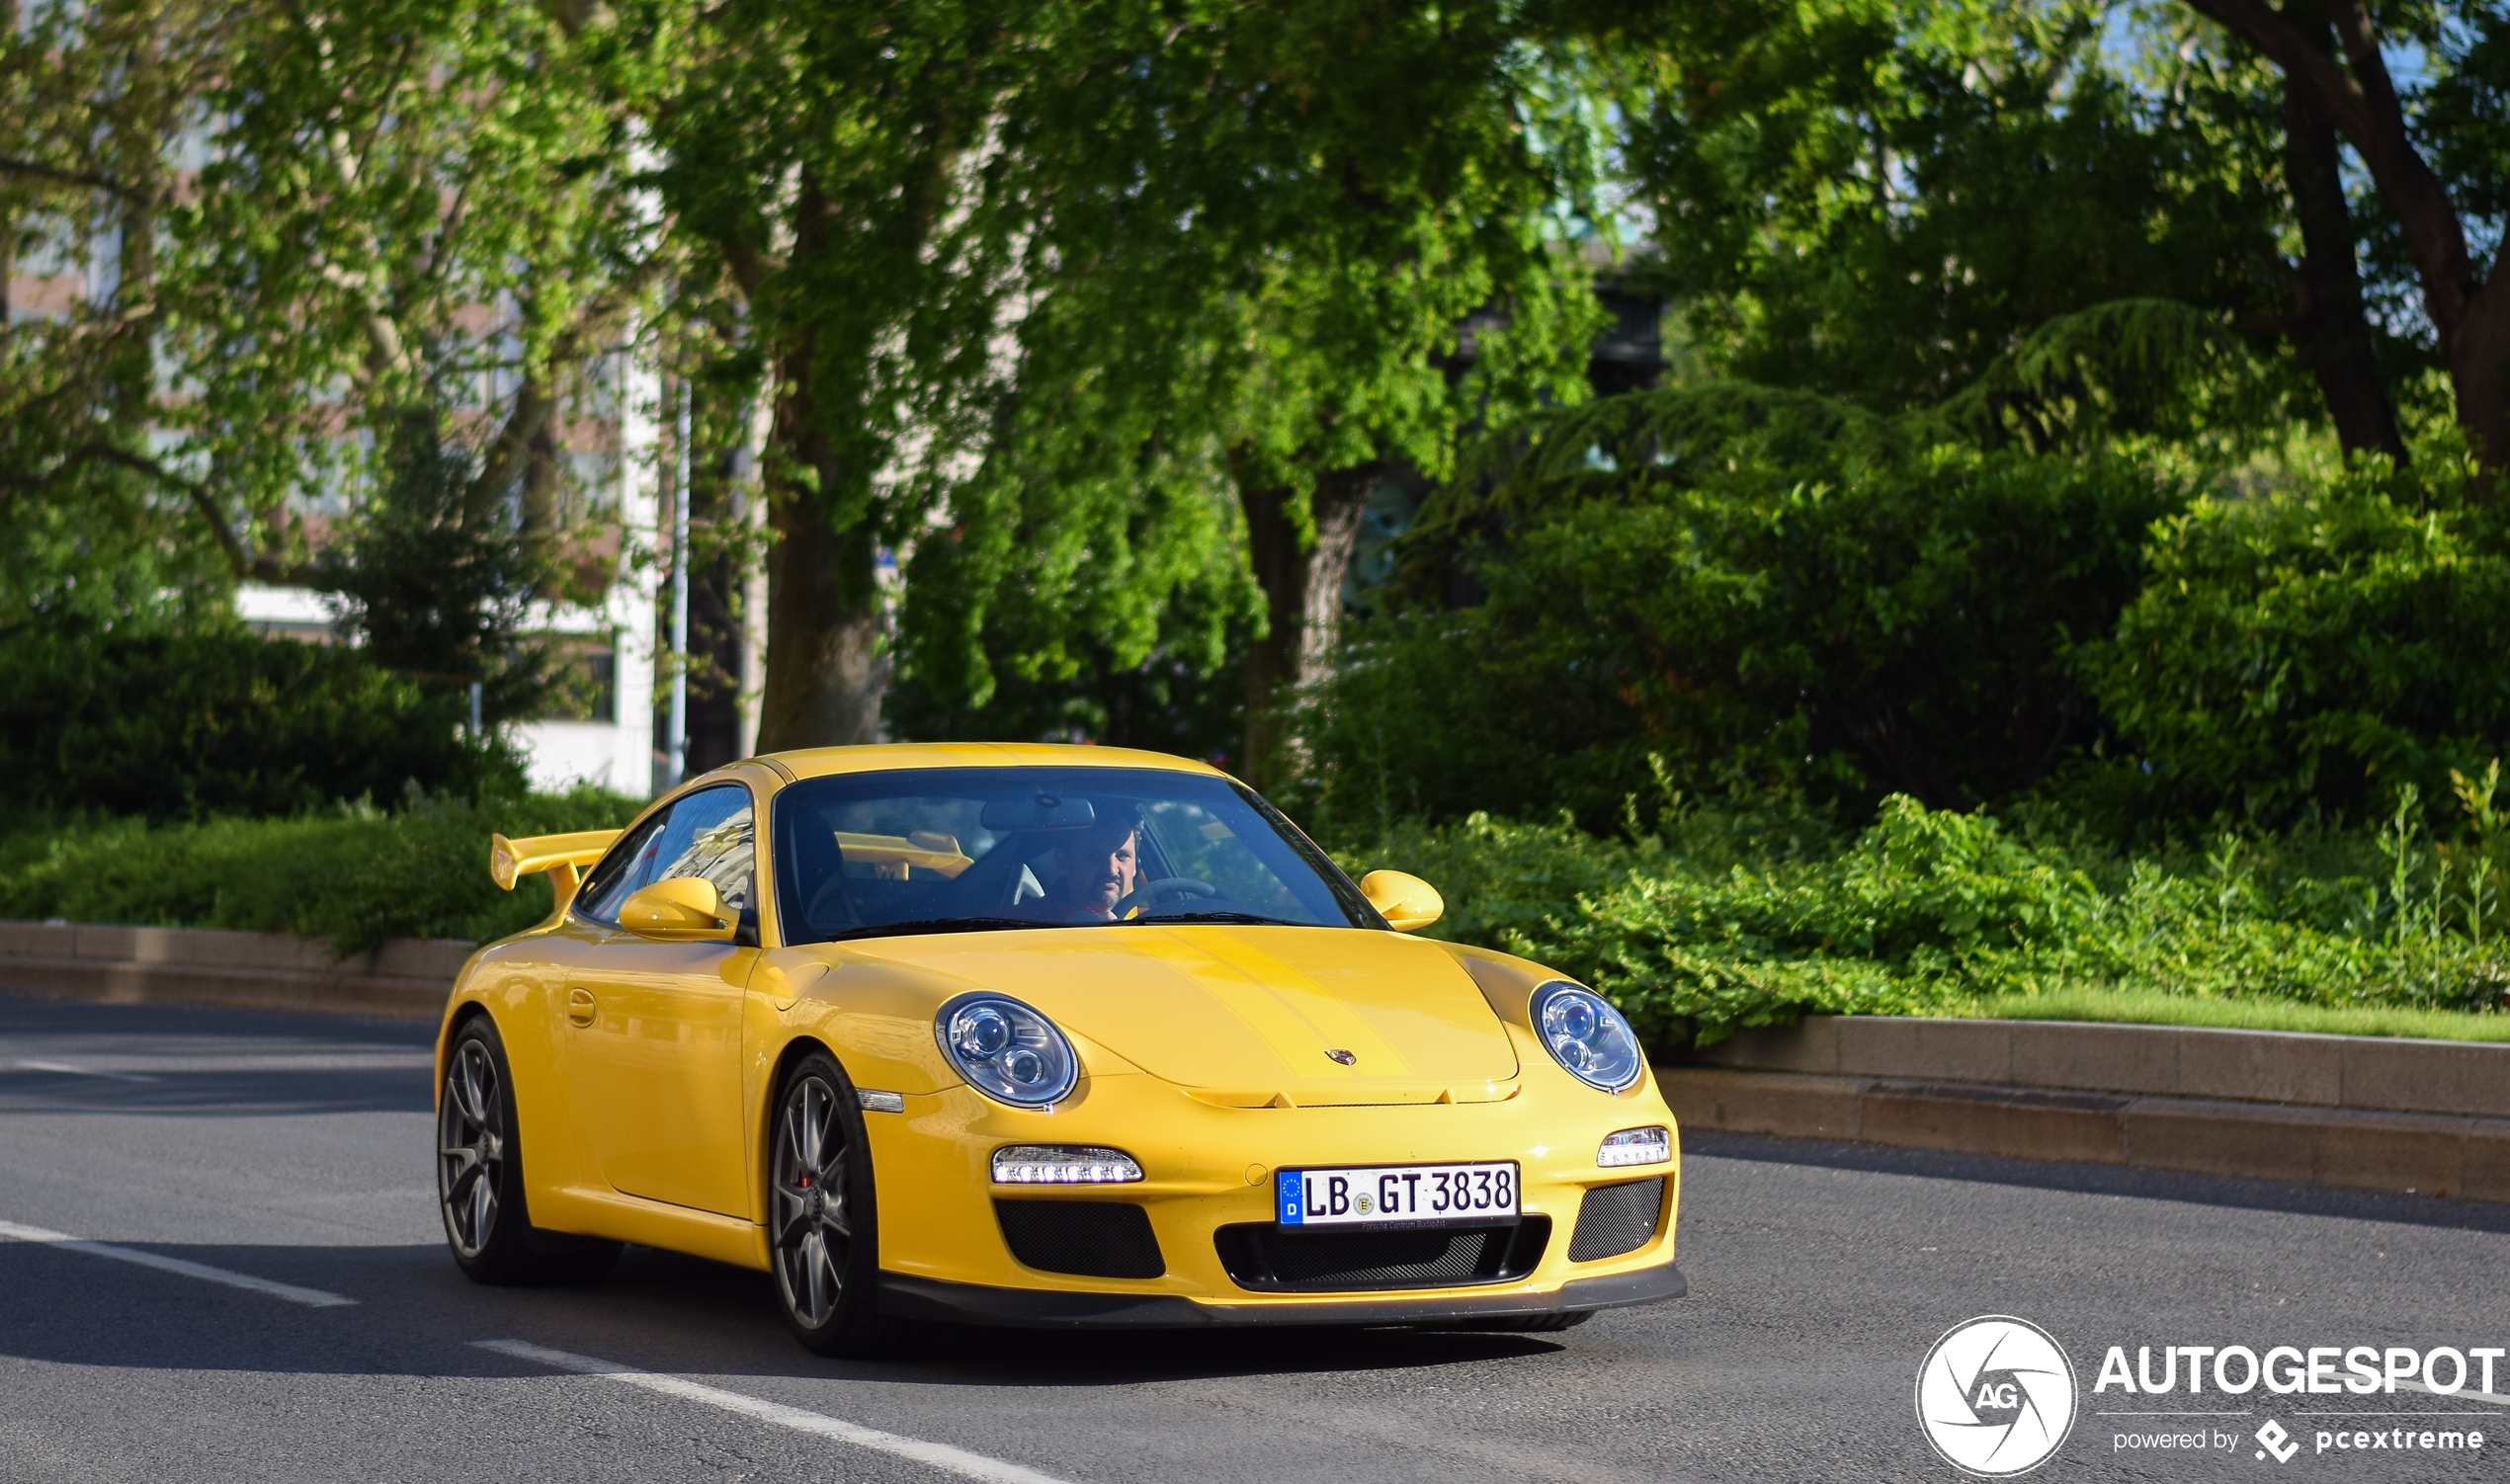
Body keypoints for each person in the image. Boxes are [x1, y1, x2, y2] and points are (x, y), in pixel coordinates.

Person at [1034, 813, 1141, 922]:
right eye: (1095, 856)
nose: (1111, 870)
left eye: (1122, 856)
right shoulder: (1026, 925)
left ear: (1136, 865)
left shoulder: (1152, 923)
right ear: (1063, 862)